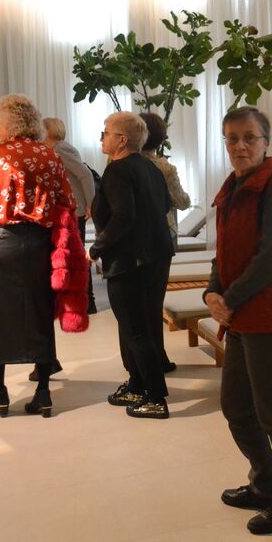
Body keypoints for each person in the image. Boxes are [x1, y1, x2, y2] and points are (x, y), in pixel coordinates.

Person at [204, 106, 272, 535]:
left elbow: (271, 257)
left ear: (266, 142)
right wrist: (213, 292)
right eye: (232, 138)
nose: (240, 146)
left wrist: (228, 300)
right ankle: (266, 483)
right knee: (236, 406)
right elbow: (224, 253)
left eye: (249, 137)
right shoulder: (232, 189)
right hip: (241, 317)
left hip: (270, 317)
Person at [0, 94, 76, 418]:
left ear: (7, 123)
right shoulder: (49, 155)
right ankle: (43, 393)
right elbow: (66, 199)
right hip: (38, 243)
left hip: (1, 243)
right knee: (39, 311)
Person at [89, 112, 174, 419]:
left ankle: (155, 397)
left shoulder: (117, 170)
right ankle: (138, 385)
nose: (102, 137)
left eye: (105, 132)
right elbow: (165, 205)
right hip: (156, 256)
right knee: (142, 325)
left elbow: (123, 217)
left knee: (136, 330)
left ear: (122, 140)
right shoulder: (150, 167)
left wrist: (96, 249)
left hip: (130, 261)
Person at [140, 112, 191, 373]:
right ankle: (158, 357)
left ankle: (144, 359)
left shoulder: (119, 163)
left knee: (138, 303)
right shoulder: (164, 168)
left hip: (135, 241)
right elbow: (183, 202)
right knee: (154, 300)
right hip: (163, 237)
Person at [43, 117, 97, 316]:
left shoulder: (61, 149)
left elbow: (85, 175)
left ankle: (88, 301)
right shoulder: (53, 150)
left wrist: (91, 203)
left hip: (74, 211)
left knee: (77, 257)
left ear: (49, 132)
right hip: (66, 211)